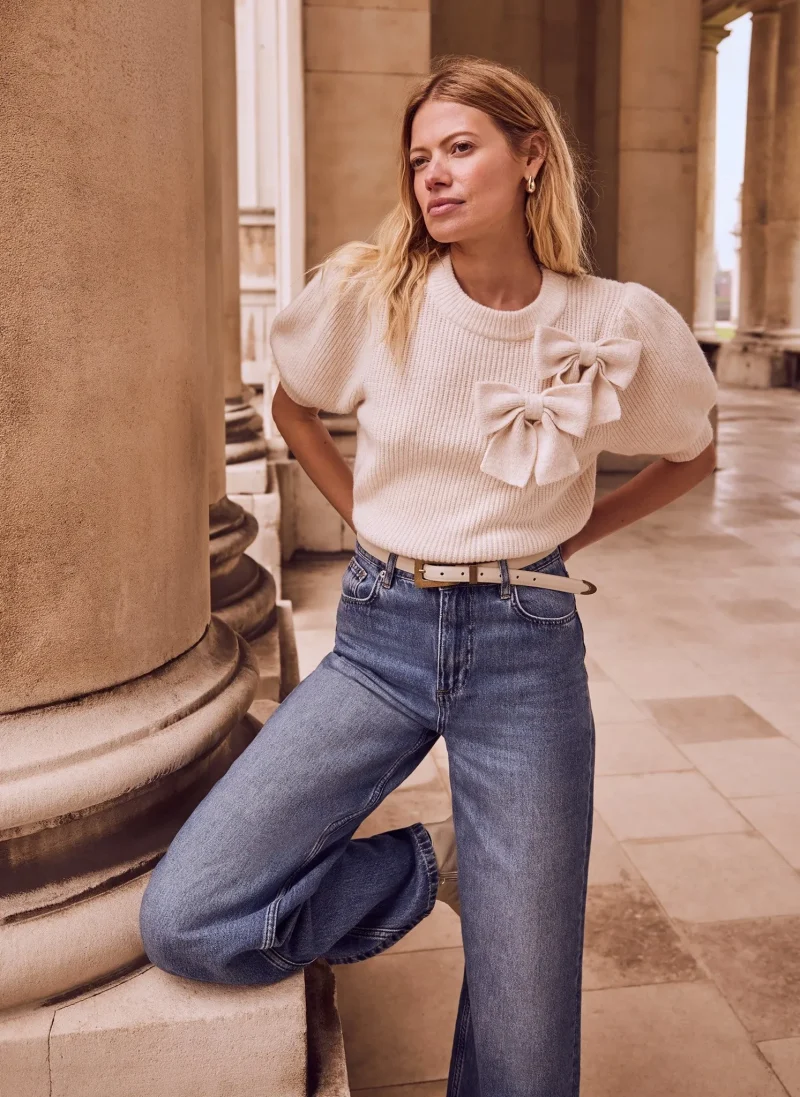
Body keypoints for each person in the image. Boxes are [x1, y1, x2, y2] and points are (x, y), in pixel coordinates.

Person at [140, 54, 718, 1097]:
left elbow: (693, 454)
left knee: (526, 1059)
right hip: (378, 640)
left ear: (529, 158)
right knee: (192, 915)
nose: (433, 177)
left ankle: (498, 895)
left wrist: (568, 534)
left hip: (523, 653)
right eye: (420, 159)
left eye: (461, 148)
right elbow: (292, 406)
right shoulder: (373, 294)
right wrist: (363, 511)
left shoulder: (612, 320)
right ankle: (436, 864)